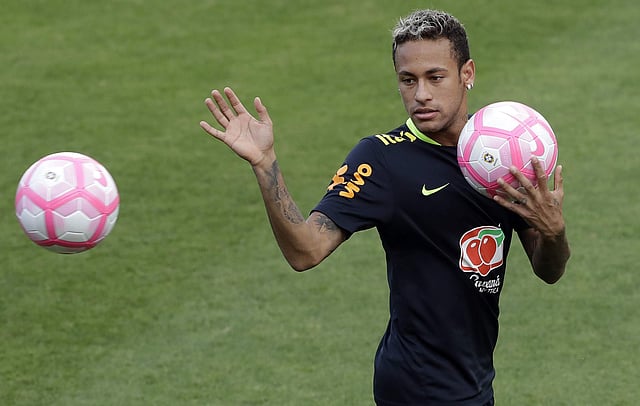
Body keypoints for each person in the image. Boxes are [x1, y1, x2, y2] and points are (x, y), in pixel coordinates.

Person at [199, 9, 570, 406]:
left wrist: (554, 232)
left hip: (474, 380)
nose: (421, 94)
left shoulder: (502, 153)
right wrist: (265, 164)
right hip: (417, 385)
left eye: (435, 77)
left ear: (467, 73)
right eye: (408, 80)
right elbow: (305, 251)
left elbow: (549, 270)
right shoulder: (381, 159)